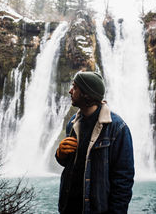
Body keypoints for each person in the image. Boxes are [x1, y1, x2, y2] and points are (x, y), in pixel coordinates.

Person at [55, 71, 134, 214]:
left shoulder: (117, 128)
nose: (70, 91)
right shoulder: (72, 124)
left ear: (86, 94)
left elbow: (123, 180)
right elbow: (72, 166)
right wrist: (60, 155)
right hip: (69, 208)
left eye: (75, 87)